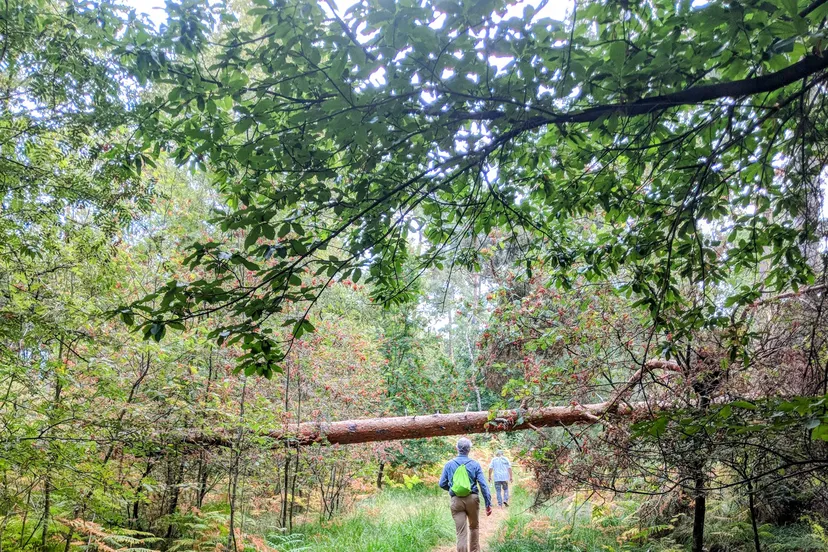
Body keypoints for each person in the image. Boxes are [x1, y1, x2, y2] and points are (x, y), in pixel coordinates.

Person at [438, 437, 492, 552]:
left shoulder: (449, 464)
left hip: (456, 500)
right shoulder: (475, 464)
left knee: (461, 532)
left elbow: (442, 483)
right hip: (472, 499)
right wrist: (488, 503)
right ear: (469, 450)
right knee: (474, 527)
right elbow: (483, 485)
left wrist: (453, 490)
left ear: (456, 448)